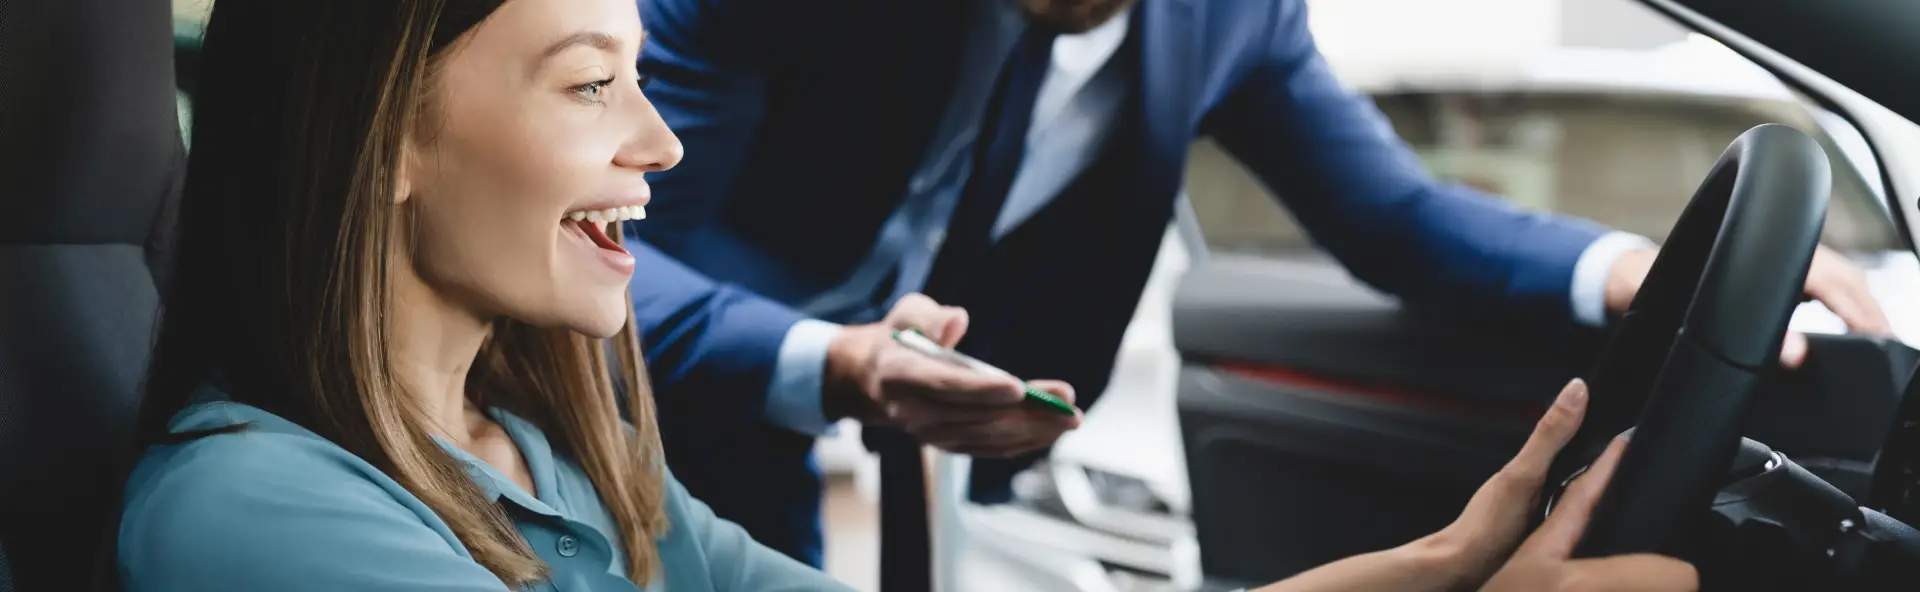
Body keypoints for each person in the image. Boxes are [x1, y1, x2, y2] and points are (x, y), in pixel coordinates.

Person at [109, 0, 1701, 590]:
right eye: (595, 83)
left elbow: (1394, 213)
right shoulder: (255, 516)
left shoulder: (576, 466)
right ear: (381, 133)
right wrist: (832, 361)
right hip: (742, 387)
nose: (657, 140)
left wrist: (1419, 576)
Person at [622, 0, 1893, 574]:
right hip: (642, 390)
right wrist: (823, 363)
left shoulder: (1230, 18)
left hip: (866, 408)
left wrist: (1631, 268)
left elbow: (1393, 216)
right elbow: (619, 254)